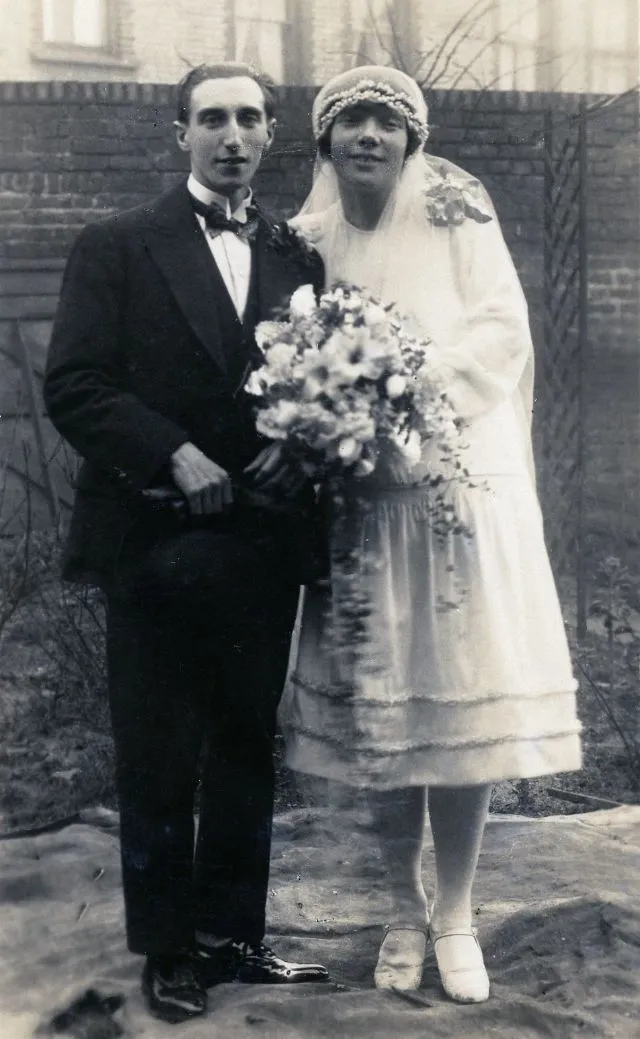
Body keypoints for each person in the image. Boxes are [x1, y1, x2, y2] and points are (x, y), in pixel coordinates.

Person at [280, 66, 582, 1004]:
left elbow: (501, 331)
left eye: (387, 122)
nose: (369, 135)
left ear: (411, 140)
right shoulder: (303, 241)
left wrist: (407, 381)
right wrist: (336, 407)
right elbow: (288, 350)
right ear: (326, 143)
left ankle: (455, 910)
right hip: (363, 494)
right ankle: (400, 907)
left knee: (454, 696)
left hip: (455, 481)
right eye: (352, 122)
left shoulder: (457, 211)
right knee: (384, 703)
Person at [43, 62, 329, 1025]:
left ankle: (232, 935)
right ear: (181, 134)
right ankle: (168, 948)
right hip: (154, 532)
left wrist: (302, 449)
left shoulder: (296, 258)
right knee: (160, 747)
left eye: (249, 118)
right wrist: (171, 451)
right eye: (212, 118)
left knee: (246, 742)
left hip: (260, 539)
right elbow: (75, 385)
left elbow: (315, 386)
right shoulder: (116, 245)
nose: (231, 136)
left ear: (273, 132)